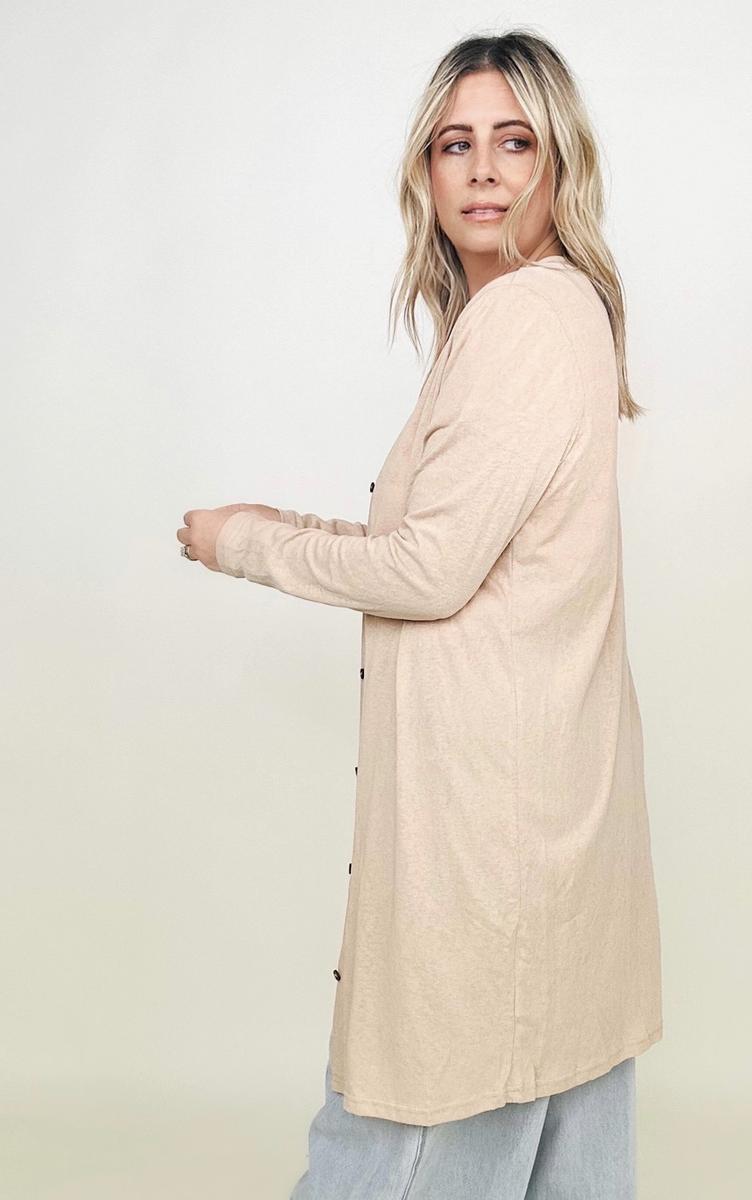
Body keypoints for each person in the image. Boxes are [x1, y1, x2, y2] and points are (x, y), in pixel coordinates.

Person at [176, 27, 662, 1200]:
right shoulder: (550, 313)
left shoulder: (523, 320)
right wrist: (291, 520)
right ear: (425, 172)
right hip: (544, 820)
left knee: (400, 1137)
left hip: (488, 831)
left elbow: (432, 572)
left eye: (514, 141)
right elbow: (454, 546)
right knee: (553, 1143)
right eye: (454, 144)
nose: (482, 169)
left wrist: (245, 544)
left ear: (559, 161)